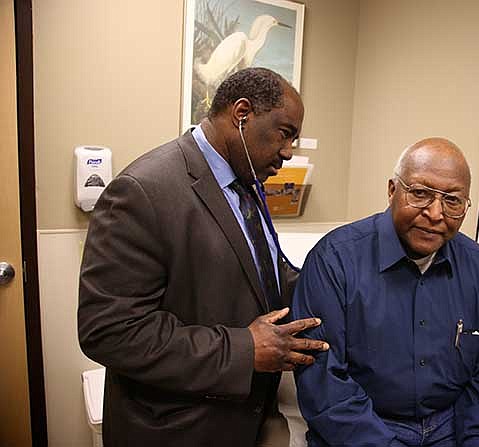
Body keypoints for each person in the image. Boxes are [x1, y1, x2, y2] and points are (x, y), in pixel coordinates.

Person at [78, 67, 329, 447]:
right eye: (285, 133)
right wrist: (245, 350)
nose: (288, 152)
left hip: (244, 418)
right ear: (242, 114)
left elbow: (267, 271)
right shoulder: (143, 191)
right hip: (177, 429)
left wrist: (338, 286)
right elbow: (110, 332)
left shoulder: (246, 183)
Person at [292, 138, 479, 446]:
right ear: (392, 191)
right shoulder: (334, 260)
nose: (435, 213)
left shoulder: (478, 266)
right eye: (420, 194)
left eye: (452, 201)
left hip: (453, 423)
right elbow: (323, 383)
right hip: (365, 425)